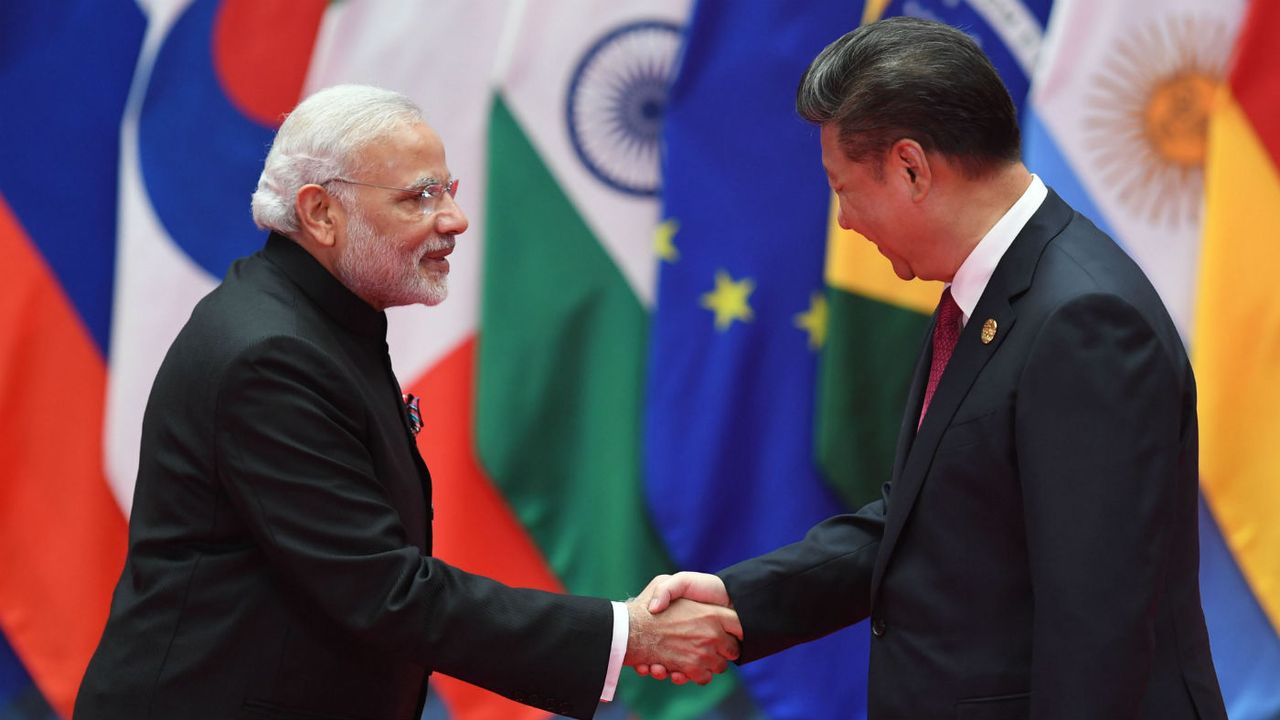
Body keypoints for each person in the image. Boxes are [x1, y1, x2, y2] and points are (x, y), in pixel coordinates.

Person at [74, 84, 739, 720]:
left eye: (446, 189)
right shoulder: (270, 355)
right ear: (320, 212)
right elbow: (383, 592)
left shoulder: (312, 318)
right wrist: (626, 634)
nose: (455, 219)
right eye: (418, 197)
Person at [639, 17, 1228, 720]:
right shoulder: (989, 288)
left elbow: (1096, 626)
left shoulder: (1083, 321)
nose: (844, 222)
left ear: (913, 168)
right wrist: (739, 603)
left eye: (843, 188)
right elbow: (926, 517)